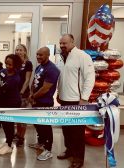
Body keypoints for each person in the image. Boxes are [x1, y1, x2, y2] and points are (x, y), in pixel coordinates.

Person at [57, 34, 95, 168]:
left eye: (64, 43)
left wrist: (84, 98)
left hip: (77, 101)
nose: (62, 45)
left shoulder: (82, 56)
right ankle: (70, 150)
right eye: (60, 43)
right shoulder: (61, 57)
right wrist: (59, 93)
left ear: (72, 42)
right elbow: (62, 78)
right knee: (66, 129)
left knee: (77, 132)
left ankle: (78, 158)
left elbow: (90, 78)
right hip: (64, 99)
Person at [28, 47, 60, 161]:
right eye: (37, 54)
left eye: (41, 55)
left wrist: (33, 96)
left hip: (45, 102)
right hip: (36, 101)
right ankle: (41, 143)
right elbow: (34, 82)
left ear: (48, 55)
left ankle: (48, 150)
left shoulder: (52, 69)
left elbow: (45, 88)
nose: (38, 57)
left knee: (45, 126)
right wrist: (32, 94)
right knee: (38, 124)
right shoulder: (39, 66)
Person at [0, 54, 22, 155]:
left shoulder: (15, 78)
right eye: (6, 63)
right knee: (4, 123)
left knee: (9, 124)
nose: (7, 66)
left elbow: (3, 89)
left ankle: (9, 146)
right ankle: (7, 142)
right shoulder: (2, 72)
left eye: (10, 65)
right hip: (3, 102)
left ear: (15, 65)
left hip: (13, 102)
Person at [14, 44, 33, 147]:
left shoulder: (28, 64)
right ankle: (17, 133)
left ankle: (21, 137)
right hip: (14, 93)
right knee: (16, 116)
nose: (18, 52)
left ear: (25, 51)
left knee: (23, 117)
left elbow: (27, 80)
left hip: (23, 94)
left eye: (20, 50)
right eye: (16, 50)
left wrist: (21, 93)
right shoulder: (15, 62)